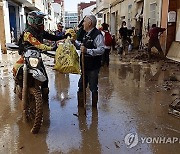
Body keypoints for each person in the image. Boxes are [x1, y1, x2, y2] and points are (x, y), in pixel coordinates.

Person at [13, 11, 70, 98]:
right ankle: (17, 84)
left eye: (42, 21)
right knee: (16, 68)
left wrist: (63, 37)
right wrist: (51, 48)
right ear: (32, 21)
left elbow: (51, 37)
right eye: (39, 21)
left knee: (45, 77)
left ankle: (45, 98)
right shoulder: (28, 33)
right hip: (26, 56)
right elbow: (38, 44)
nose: (41, 23)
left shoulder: (41, 31)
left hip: (36, 56)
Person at [77, 15, 105, 108]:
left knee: (93, 87)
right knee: (81, 86)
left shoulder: (97, 35)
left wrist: (87, 51)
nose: (83, 24)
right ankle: (80, 107)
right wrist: (74, 43)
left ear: (90, 23)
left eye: (84, 21)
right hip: (85, 66)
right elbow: (82, 46)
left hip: (93, 66)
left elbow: (101, 50)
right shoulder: (86, 34)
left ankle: (94, 109)